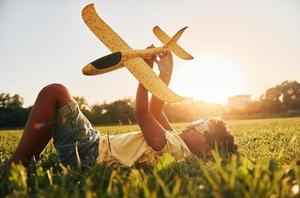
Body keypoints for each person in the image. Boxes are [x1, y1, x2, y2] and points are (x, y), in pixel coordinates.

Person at [8, 47, 237, 167]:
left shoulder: (176, 150)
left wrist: (144, 74)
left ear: (209, 151)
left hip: (89, 154)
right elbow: (157, 111)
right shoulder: (177, 140)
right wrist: (165, 73)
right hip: (95, 144)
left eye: (202, 127)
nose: (194, 124)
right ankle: (29, 159)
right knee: (57, 99)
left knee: (55, 92)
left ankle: (16, 164)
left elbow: (143, 113)